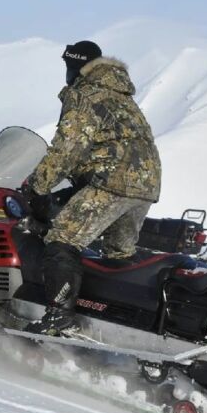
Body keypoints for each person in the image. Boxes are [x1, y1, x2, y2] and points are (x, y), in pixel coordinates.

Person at [22, 40, 162, 335]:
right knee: (117, 254)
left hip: (111, 181)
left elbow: (68, 148)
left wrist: (36, 186)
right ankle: (121, 321)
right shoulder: (122, 96)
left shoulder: (85, 94)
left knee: (62, 239)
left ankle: (59, 317)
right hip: (146, 182)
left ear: (75, 67)